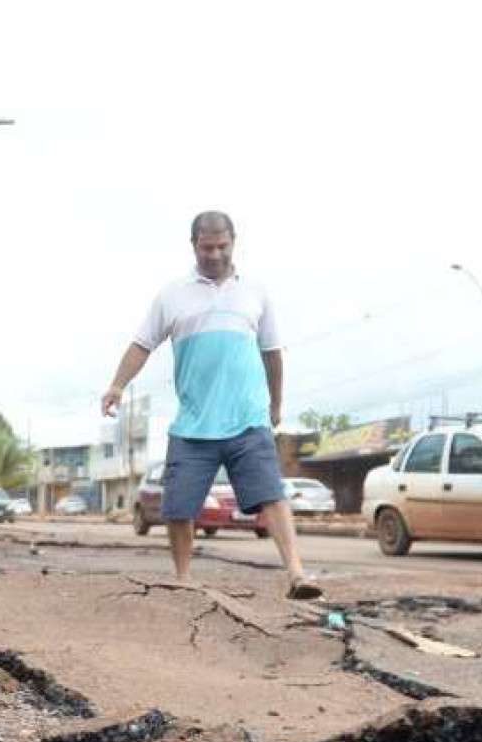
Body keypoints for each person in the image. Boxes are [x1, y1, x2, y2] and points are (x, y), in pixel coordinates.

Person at [102, 211, 320, 599]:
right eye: (207, 247)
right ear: (194, 246)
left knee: (272, 494)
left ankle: (297, 574)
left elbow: (272, 352)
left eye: (223, 246)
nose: (215, 255)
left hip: (247, 417)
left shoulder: (255, 291)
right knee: (178, 508)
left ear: (234, 242)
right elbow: (142, 344)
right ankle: (184, 579)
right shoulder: (172, 295)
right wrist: (118, 385)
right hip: (194, 424)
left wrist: (275, 404)